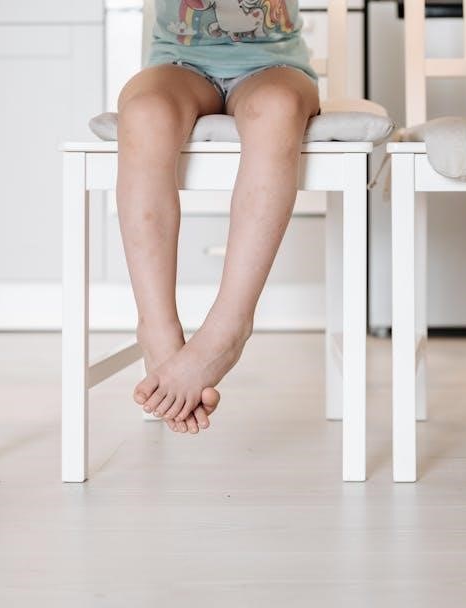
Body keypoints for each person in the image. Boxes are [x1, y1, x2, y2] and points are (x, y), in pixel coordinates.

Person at [117, 0, 320, 434]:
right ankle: (158, 331)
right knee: (144, 112)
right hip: (179, 63)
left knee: (277, 106)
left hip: (275, 66)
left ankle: (228, 328)